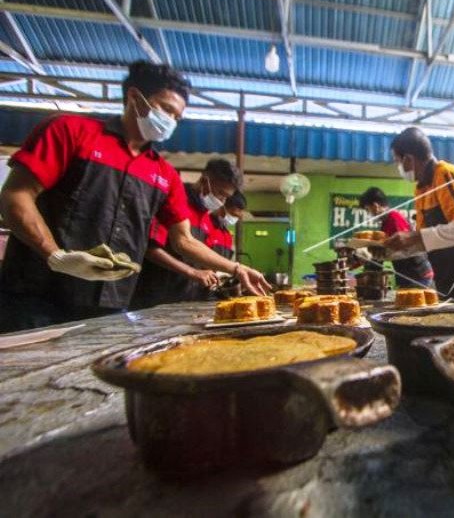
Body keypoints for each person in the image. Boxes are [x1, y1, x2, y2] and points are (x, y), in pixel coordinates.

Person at [0, 61, 269, 332]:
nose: (170, 121)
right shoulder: (71, 132)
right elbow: (16, 196)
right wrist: (55, 255)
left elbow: (184, 241)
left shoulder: (164, 175)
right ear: (133, 97)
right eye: (165, 109)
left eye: (177, 117)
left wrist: (237, 269)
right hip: (37, 295)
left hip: (110, 305)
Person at [383, 127, 454, 308]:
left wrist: (414, 236)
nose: (398, 167)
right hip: (448, 279)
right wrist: (387, 250)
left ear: (408, 159)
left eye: (397, 161)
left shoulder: (445, 173)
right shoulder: (421, 188)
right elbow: (426, 240)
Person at [130, 159, 242, 309]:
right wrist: (191, 272)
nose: (222, 201)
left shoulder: (207, 217)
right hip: (156, 300)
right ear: (204, 180)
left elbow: (200, 260)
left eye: (226, 197)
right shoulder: (174, 202)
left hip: (188, 302)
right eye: (220, 193)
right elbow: (150, 249)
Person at [358, 186, 434, 288]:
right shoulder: (385, 223)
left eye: (368, 209)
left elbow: (402, 248)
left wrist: (373, 255)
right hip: (407, 274)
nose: (369, 213)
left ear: (375, 206)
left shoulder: (394, 219)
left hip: (417, 274)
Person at [208, 190, 247, 260]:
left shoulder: (227, 235)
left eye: (238, 217)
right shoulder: (204, 226)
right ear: (222, 206)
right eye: (233, 214)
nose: (235, 219)